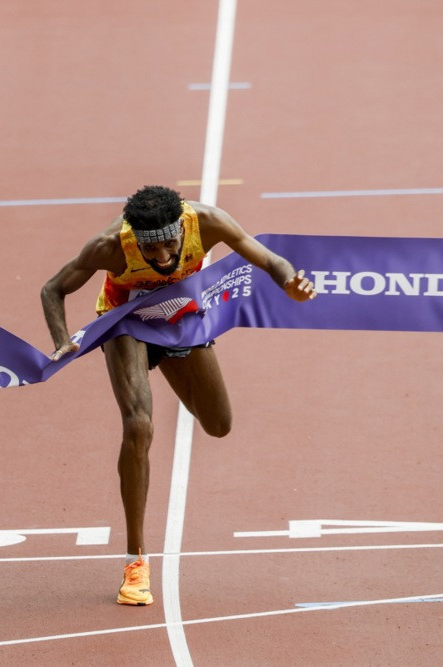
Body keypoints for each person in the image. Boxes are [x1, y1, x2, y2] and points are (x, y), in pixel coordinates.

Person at [40, 185, 315, 606]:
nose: (164, 255)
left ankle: (173, 364)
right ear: (135, 239)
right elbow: (52, 289)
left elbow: (268, 258)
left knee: (219, 424)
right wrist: (62, 340)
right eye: (152, 249)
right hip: (124, 322)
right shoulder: (109, 247)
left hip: (179, 319)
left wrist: (289, 283)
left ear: (181, 228)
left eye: (171, 242)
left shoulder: (208, 222)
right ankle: (136, 561)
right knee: (138, 425)